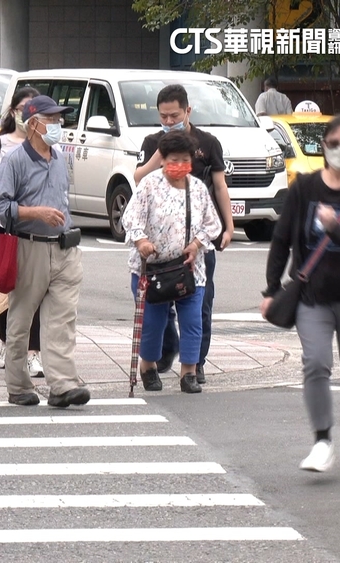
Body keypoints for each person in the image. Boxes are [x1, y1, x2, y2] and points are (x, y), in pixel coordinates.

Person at [261, 113, 340, 472]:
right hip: (312, 295)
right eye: (334, 143)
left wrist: (335, 228)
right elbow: (281, 241)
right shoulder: (305, 188)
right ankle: (322, 440)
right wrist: (271, 288)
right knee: (316, 363)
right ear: (323, 147)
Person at [0, 95, 90, 408]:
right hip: (29, 247)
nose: (58, 125)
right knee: (20, 320)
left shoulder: (59, 157)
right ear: (33, 123)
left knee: (62, 320)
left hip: (65, 249)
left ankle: (62, 385)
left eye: (60, 119)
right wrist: (35, 212)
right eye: (52, 119)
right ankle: (18, 385)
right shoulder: (15, 161)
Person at [134, 84, 235, 385]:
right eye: (163, 116)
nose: (168, 121)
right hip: (157, 256)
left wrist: (227, 228)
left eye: (173, 115)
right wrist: (162, 151)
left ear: (187, 110)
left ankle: (194, 365)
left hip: (197, 244)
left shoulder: (208, 143)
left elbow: (219, 187)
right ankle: (156, 358)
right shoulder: (153, 142)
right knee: (158, 312)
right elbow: (139, 178)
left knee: (199, 306)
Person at [122, 130, 223, 394]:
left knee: (192, 320)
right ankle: (148, 366)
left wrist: (196, 244)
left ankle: (189, 371)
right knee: (153, 323)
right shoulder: (149, 185)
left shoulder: (198, 189)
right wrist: (142, 242)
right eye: (173, 159)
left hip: (189, 268)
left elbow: (213, 224)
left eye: (185, 159)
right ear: (163, 160)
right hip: (152, 269)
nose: (179, 165)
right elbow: (131, 219)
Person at [0, 87, 45, 378]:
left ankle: (33, 353)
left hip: (38, 229)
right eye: (24, 107)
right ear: (13, 112)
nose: (29, 113)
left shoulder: (46, 146)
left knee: (37, 292)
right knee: (5, 286)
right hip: (5, 228)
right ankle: (7, 343)